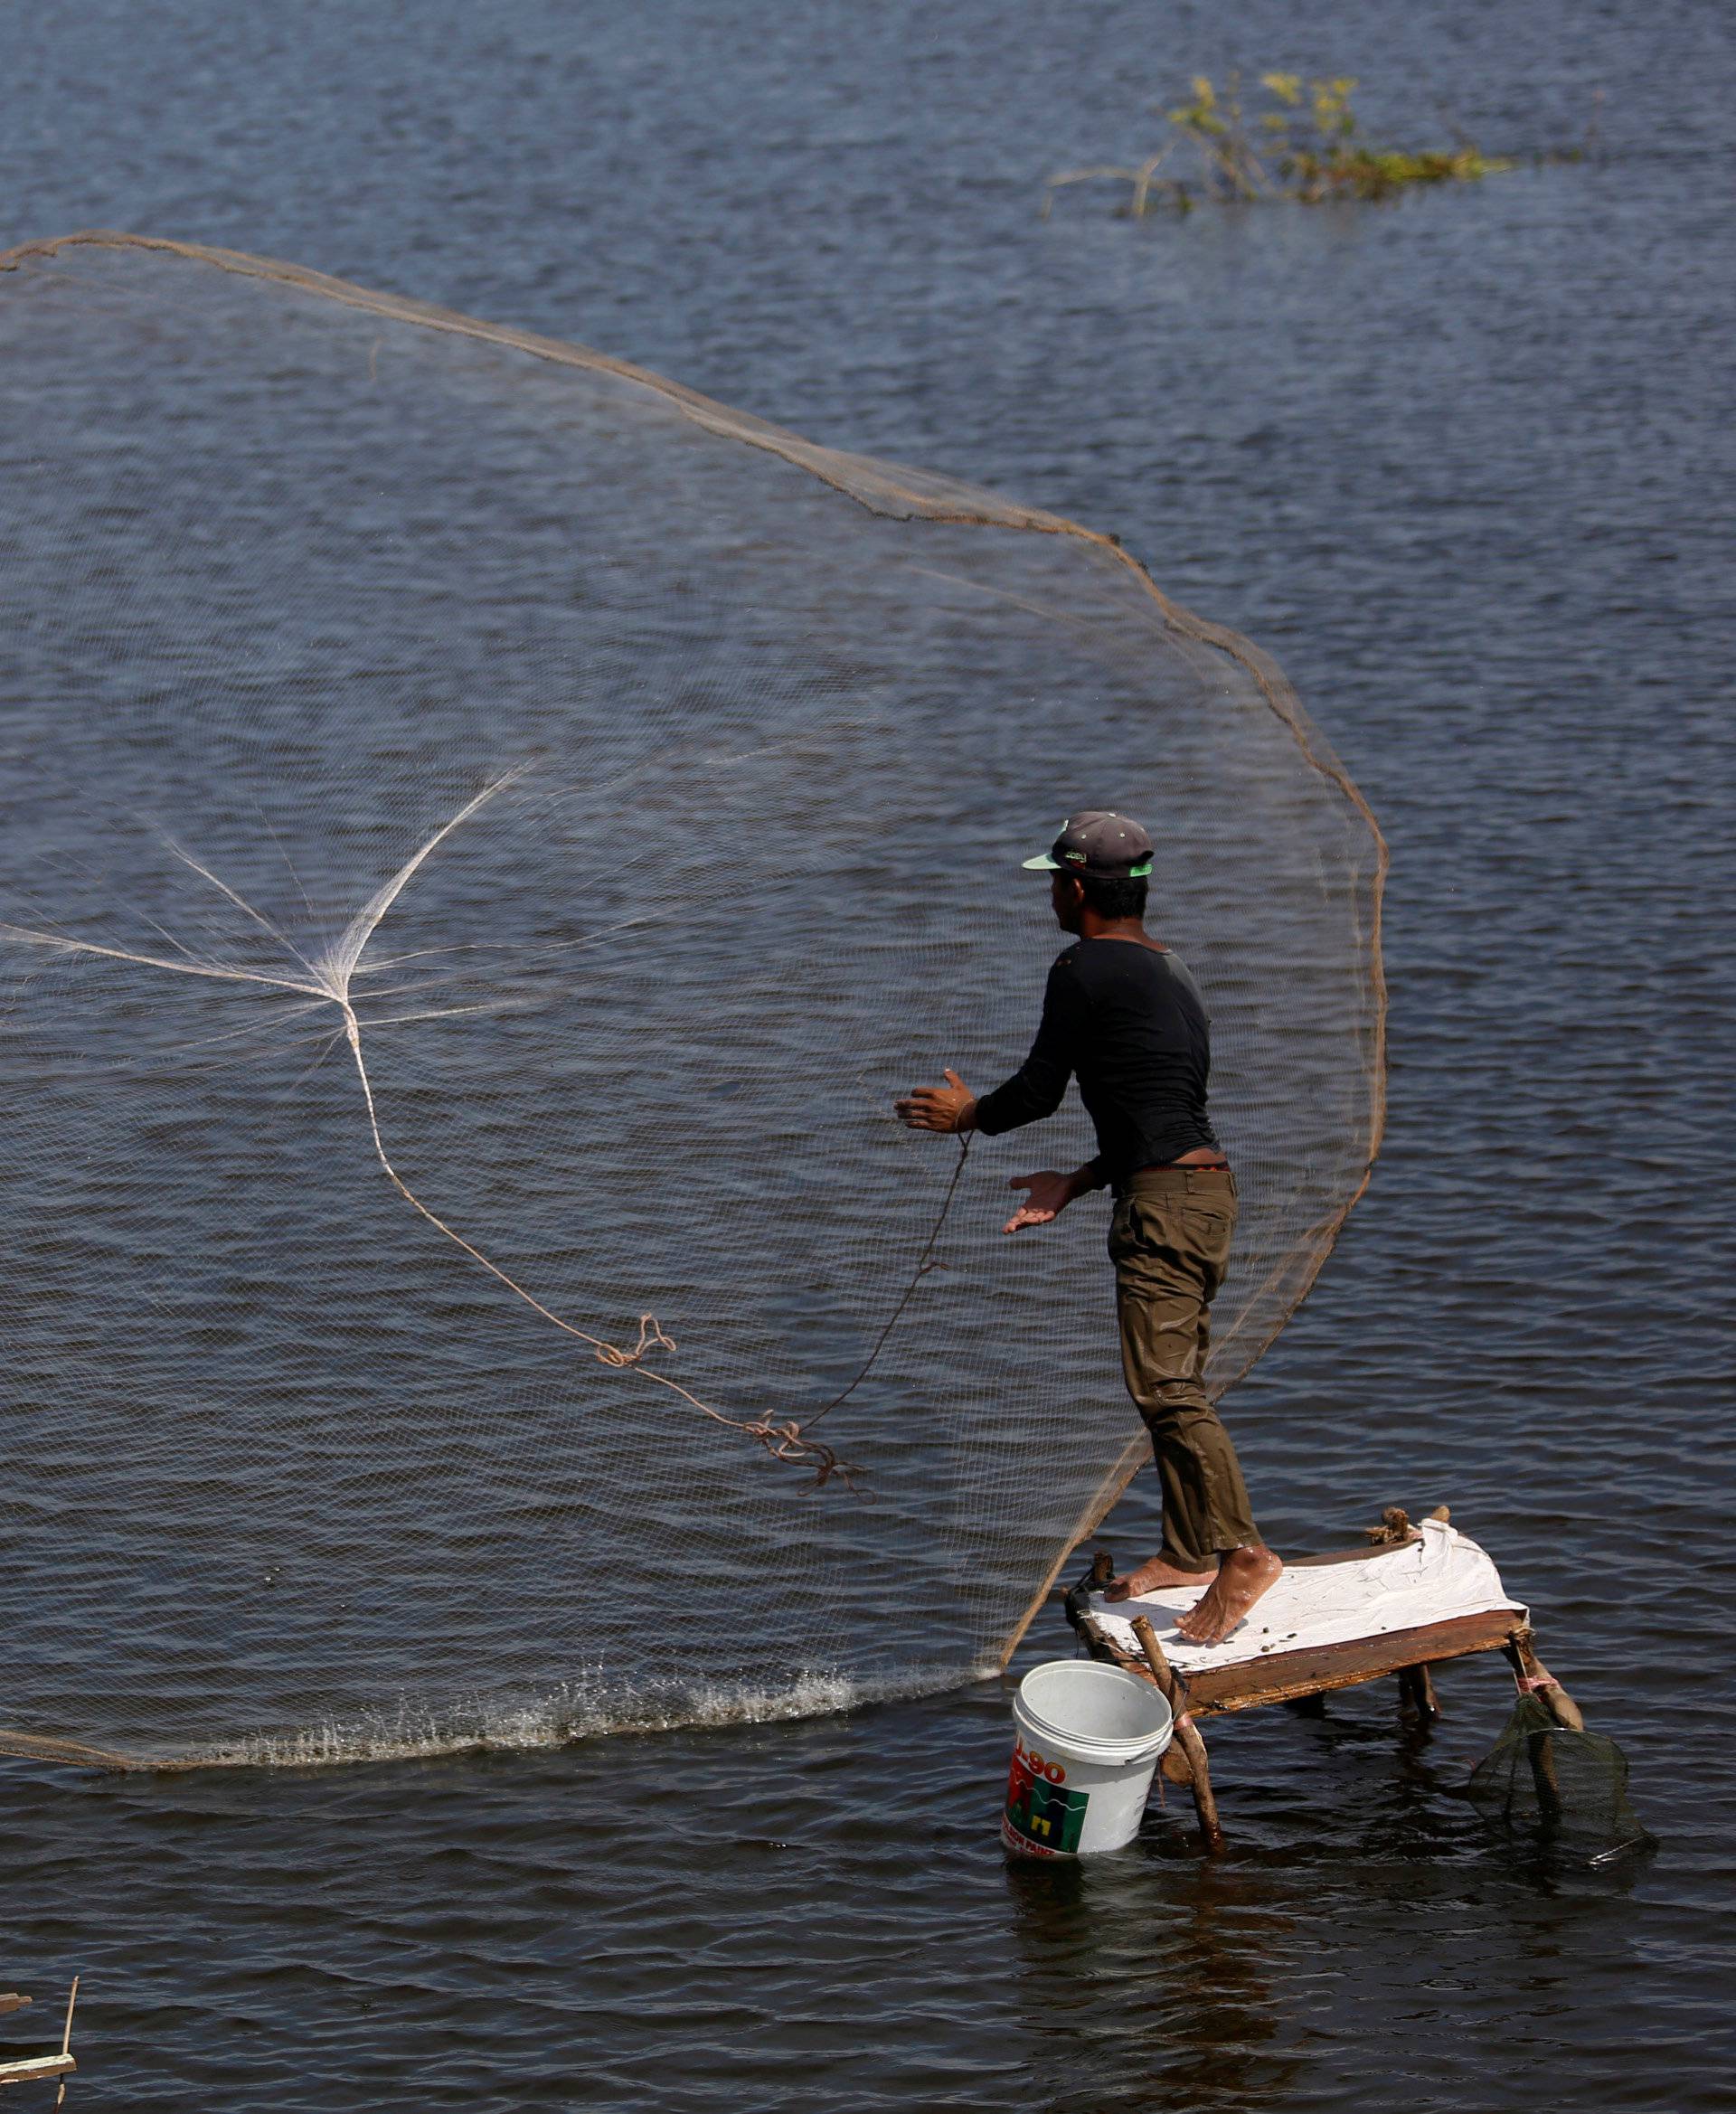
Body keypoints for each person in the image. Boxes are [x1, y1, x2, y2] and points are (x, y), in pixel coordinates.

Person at [893, 811, 1281, 1646]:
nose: (1052, 900)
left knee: (1166, 1389)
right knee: (1169, 1379)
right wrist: (1076, 1179)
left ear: (1076, 889)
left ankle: (1243, 1555)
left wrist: (969, 1115)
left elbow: (1037, 1092)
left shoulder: (1080, 967)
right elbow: (1165, 1117)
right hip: (1201, 1195)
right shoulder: (1168, 970)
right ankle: (1187, 1550)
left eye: (1053, 885)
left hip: (1164, 1209)